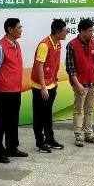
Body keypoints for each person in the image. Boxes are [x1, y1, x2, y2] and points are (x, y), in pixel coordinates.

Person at [0, 18, 27, 163]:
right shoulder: (0, 47)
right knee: (1, 122)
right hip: (3, 91)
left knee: (13, 120)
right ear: (10, 30)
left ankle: (12, 147)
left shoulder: (17, 45)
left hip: (15, 90)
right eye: (19, 27)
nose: (21, 30)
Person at [31, 19, 67, 153]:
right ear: (58, 33)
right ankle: (40, 143)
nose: (66, 33)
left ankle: (50, 139)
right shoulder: (44, 45)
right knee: (39, 116)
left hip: (51, 84)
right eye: (65, 31)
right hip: (40, 87)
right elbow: (39, 67)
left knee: (47, 114)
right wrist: (43, 87)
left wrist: (55, 79)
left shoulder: (58, 43)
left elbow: (53, 64)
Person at [67, 18, 94, 147]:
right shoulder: (72, 45)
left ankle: (89, 134)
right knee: (78, 110)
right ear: (82, 31)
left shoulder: (92, 42)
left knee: (89, 110)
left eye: (93, 30)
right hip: (80, 83)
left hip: (93, 81)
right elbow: (70, 68)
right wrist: (77, 84)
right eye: (90, 31)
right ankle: (78, 135)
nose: (92, 33)